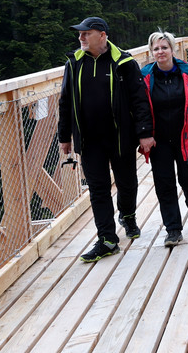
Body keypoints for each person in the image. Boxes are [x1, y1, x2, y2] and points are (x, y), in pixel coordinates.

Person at [58, 17, 154, 263]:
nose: (80, 38)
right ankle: (107, 239)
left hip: (120, 136)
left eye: (85, 34)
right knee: (98, 190)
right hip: (89, 140)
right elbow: (65, 101)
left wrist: (145, 132)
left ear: (102, 35)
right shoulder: (74, 63)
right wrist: (64, 135)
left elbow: (139, 98)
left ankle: (129, 215)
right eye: (79, 34)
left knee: (127, 182)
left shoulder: (123, 62)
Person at [141, 31, 188, 247]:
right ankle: (173, 229)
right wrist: (143, 134)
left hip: (187, 139)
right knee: (164, 184)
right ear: (151, 52)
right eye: (156, 48)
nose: (160, 52)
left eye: (164, 47)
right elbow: (138, 108)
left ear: (173, 49)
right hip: (159, 141)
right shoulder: (144, 77)